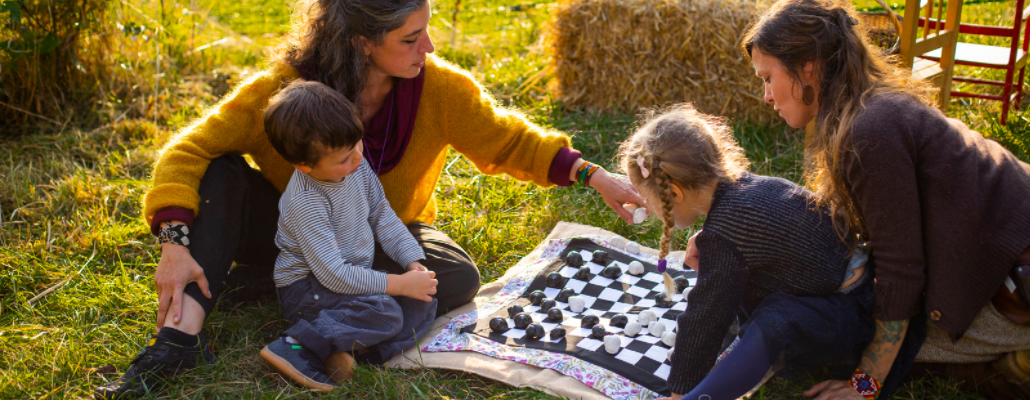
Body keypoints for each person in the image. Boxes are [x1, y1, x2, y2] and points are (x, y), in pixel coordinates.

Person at [94, 0, 645, 396]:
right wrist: (173, 240)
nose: (428, 47)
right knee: (220, 171)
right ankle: (180, 337)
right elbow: (187, 150)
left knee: (453, 277)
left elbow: (508, 138)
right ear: (361, 42)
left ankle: (293, 301)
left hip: (381, 234)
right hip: (292, 226)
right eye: (411, 37)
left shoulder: (440, 86)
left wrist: (592, 175)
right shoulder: (285, 90)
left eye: (427, 30)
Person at [739, 1, 1030, 399]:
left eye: (768, 78)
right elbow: (838, 222)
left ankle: (1015, 356)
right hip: (994, 253)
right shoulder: (862, 109)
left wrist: (865, 385)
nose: (767, 96)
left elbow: (900, 273)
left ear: (807, 66)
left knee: (845, 335)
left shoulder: (870, 130)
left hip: (1011, 283)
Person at [619, 104, 875, 400]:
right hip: (856, 278)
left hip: (851, 311)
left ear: (675, 193)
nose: (650, 210)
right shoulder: (749, 186)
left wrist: (679, 390)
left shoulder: (724, 235)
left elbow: (705, 319)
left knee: (771, 322)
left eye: (651, 201)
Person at [257, 80, 438, 391]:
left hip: (348, 278)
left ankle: (352, 354)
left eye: (358, 143)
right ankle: (294, 345)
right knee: (385, 310)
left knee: (422, 300)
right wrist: (396, 285)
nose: (357, 157)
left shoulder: (357, 167)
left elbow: (382, 216)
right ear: (304, 165)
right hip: (308, 289)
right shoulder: (306, 200)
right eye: (342, 158)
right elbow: (333, 275)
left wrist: (412, 263)